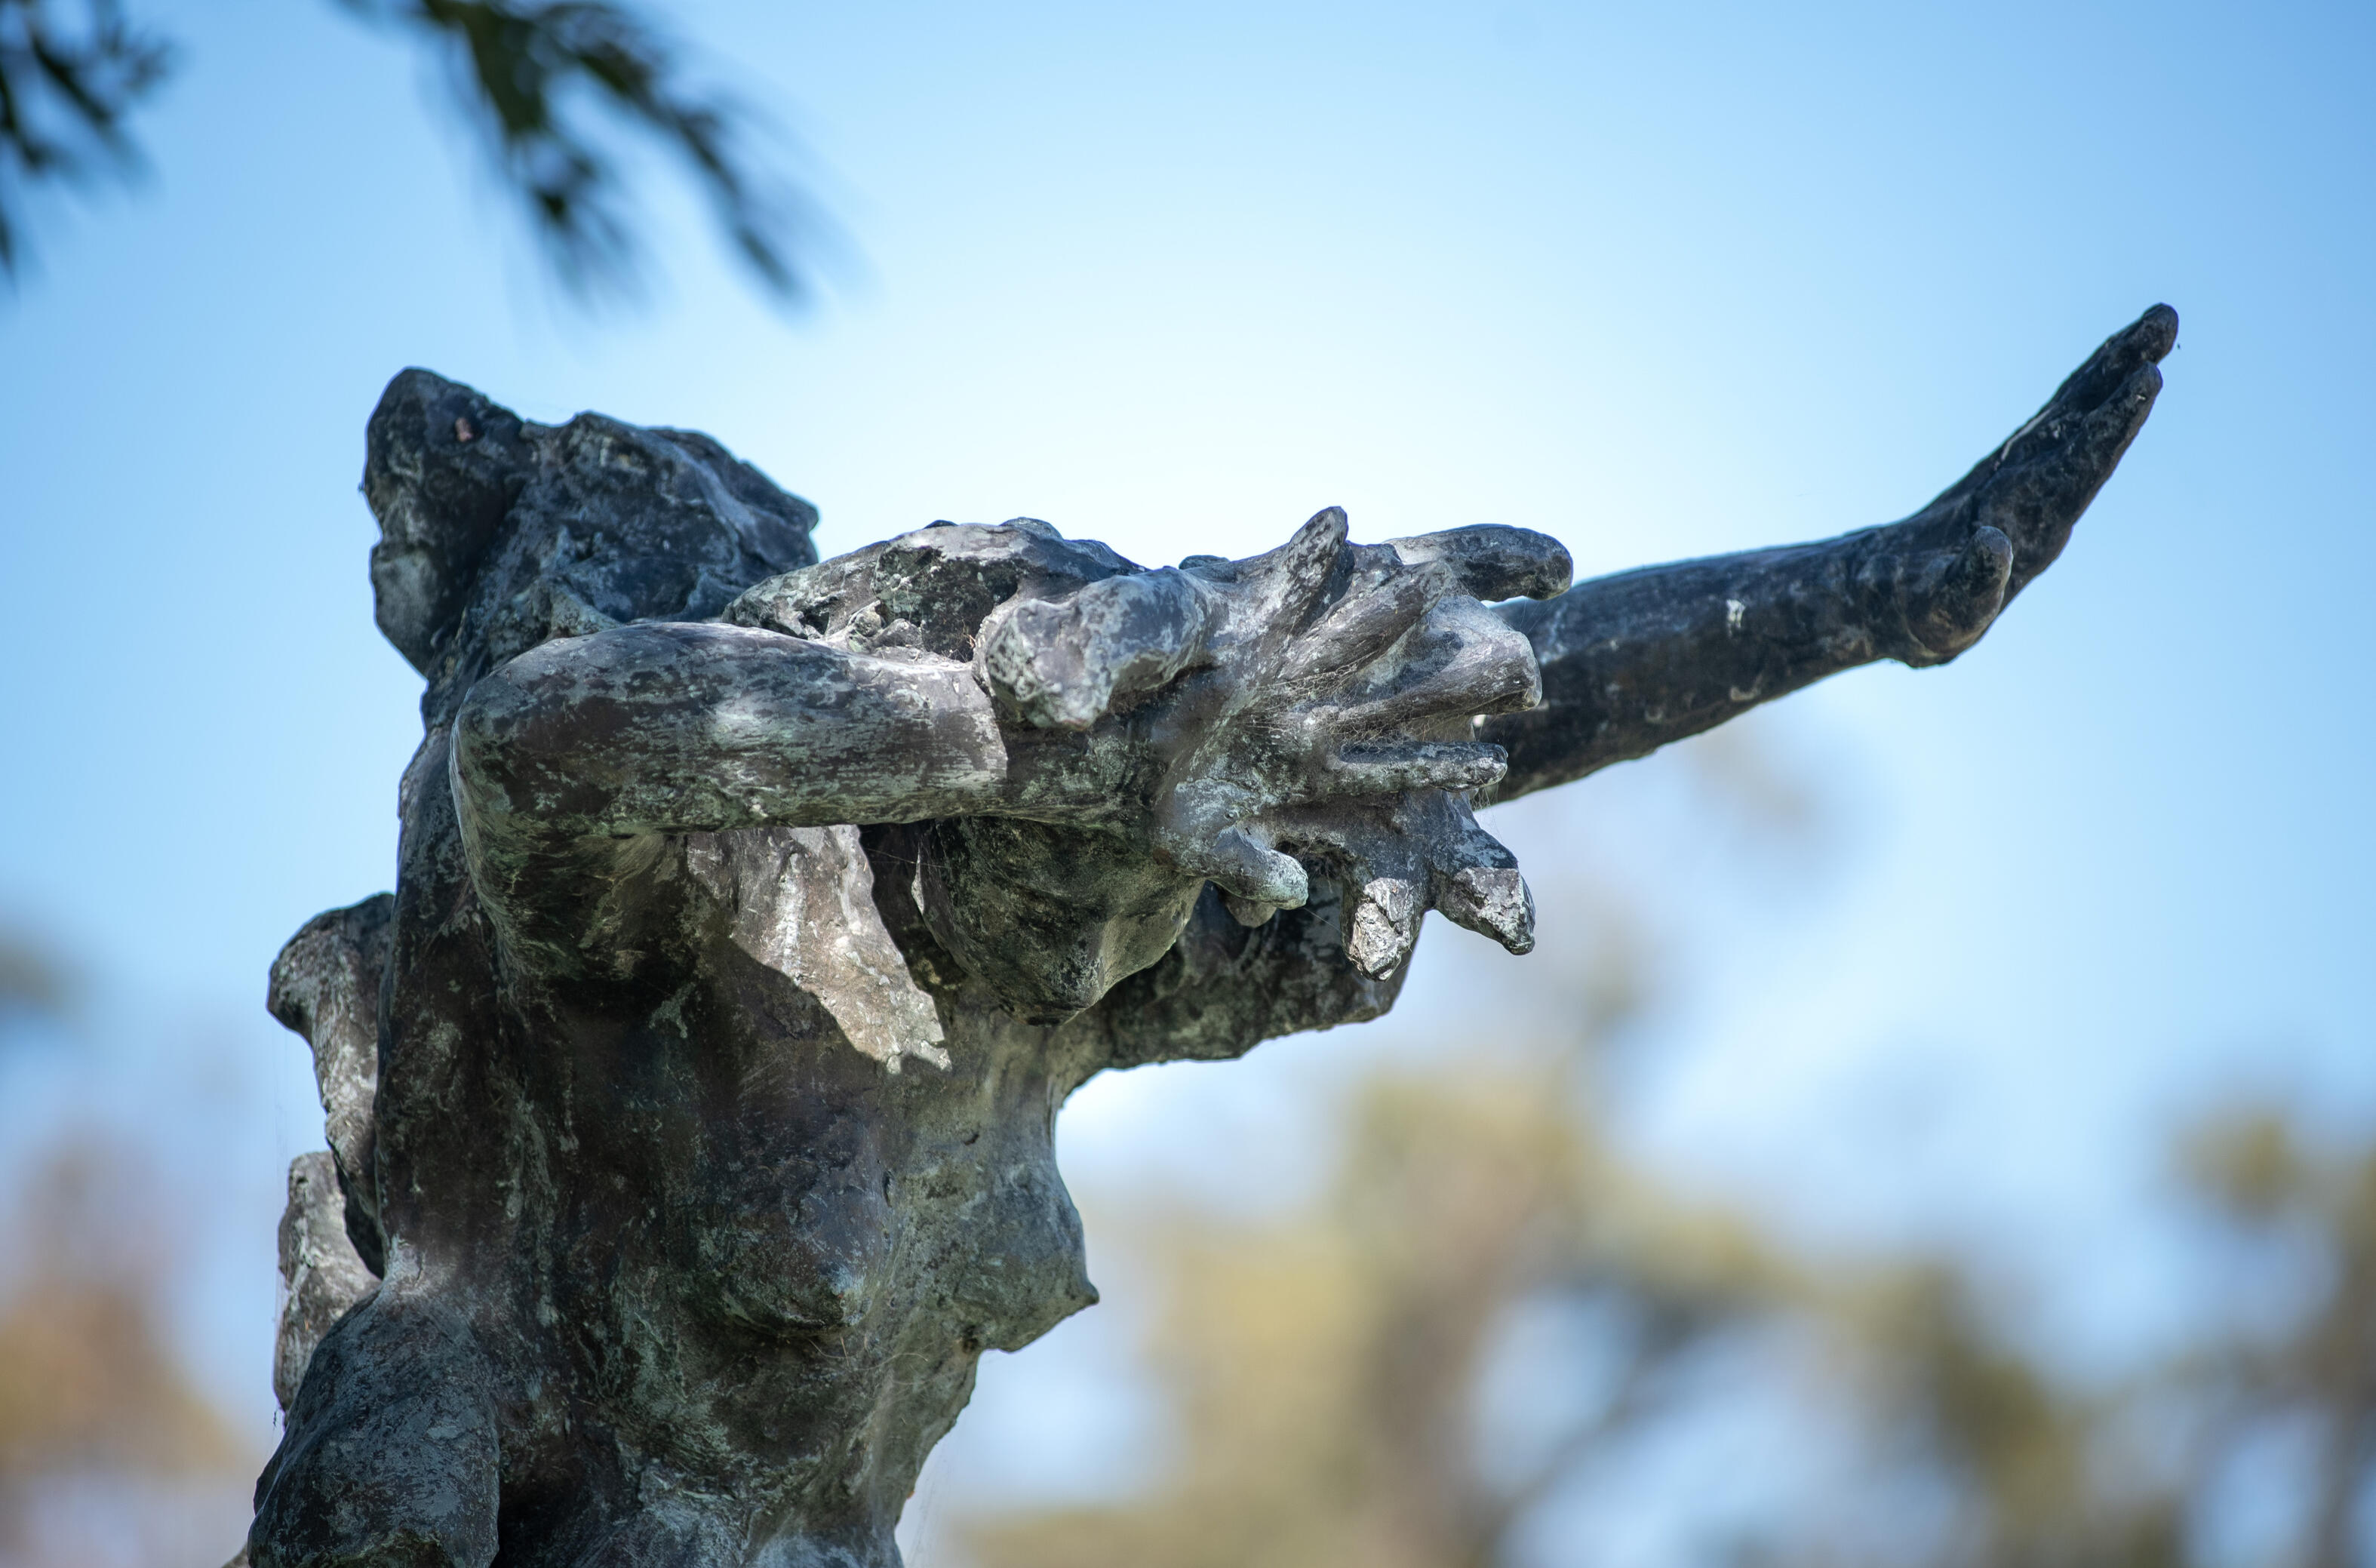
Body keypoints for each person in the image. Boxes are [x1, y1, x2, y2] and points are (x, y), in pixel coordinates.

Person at [247, 306, 2175, 1568]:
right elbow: (533, 749)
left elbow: (1502, 695)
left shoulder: (1092, 971)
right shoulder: (695, 924)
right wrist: (1011, 739)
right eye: (1104, 819)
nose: (1113, 905)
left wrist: (1877, 596)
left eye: (1162, 847)